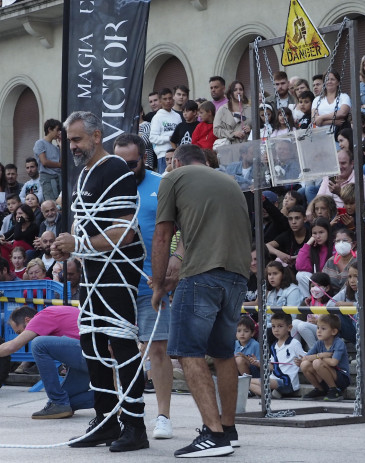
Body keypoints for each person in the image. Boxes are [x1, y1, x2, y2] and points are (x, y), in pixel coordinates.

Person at [51, 111, 148, 452]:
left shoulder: (115, 169)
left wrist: (77, 245)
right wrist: (69, 247)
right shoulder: (86, 174)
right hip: (93, 271)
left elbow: (124, 230)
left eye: (77, 139)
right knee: (92, 343)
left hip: (117, 270)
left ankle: (135, 425)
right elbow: (87, 225)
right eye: (69, 140)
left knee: (120, 343)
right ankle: (106, 419)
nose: (71, 146)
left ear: (96, 136)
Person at [151, 144, 250, 457]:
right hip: (236, 275)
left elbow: (163, 235)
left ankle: (213, 435)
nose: (168, 168)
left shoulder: (174, 177)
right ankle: (228, 429)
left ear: (177, 162)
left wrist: (157, 285)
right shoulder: (229, 181)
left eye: (169, 164)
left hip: (202, 276)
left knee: (188, 353)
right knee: (223, 353)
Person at [112, 133, 173, 440]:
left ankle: (163, 416)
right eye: (119, 163)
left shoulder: (162, 185)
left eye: (131, 163)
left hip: (152, 282)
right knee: (118, 351)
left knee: (158, 350)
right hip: (115, 283)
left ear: (144, 159)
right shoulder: (107, 186)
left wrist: (171, 269)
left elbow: (179, 230)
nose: (125, 169)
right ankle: (126, 409)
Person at [0, 305, 93, 418]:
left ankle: (57, 402)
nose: (22, 335)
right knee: (67, 402)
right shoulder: (55, 314)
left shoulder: (42, 316)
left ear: (27, 320)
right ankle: (109, 398)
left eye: (20, 332)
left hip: (91, 354)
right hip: (92, 358)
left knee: (38, 344)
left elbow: (12, 346)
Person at [248, 313, 306, 399]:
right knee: (247, 382)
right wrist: (258, 363)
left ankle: (267, 393)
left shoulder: (294, 343)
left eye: (280, 326)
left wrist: (301, 362)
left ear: (289, 328)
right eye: (273, 326)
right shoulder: (274, 346)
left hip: (287, 382)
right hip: (274, 379)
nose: (276, 330)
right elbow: (272, 367)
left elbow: (305, 358)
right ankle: (270, 394)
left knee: (251, 381)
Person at [297, 314, 351, 401]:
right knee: (304, 365)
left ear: (333, 331)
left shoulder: (338, 343)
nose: (319, 331)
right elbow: (305, 358)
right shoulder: (319, 343)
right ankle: (320, 389)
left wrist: (318, 358)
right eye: (318, 328)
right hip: (326, 375)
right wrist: (320, 355)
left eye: (323, 328)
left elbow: (334, 362)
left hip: (341, 378)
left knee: (317, 362)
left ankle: (334, 390)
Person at [149, 88, 182, 173]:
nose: (168, 101)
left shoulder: (177, 116)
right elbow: (152, 138)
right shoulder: (157, 117)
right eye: (165, 99)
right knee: (164, 181)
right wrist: (169, 138)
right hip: (164, 155)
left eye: (170, 98)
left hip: (177, 154)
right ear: (160, 101)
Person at [213, 80, 251, 145]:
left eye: (240, 89)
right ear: (230, 94)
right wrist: (233, 133)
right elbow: (216, 130)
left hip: (247, 148)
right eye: (235, 90)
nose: (238, 92)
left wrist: (250, 129)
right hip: (230, 147)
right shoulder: (223, 110)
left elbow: (259, 127)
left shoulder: (249, 109)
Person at [34, 119, 63, 202]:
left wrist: (61, 147)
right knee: (51, 203)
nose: (59, 133)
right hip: (47, 178)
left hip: (58, 177)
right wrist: (59, 165)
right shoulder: (40, 143)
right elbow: (44, 162)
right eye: (57, 130)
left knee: (60, 202)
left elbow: (62, 162)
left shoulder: (56, 147)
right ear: (49, 129)